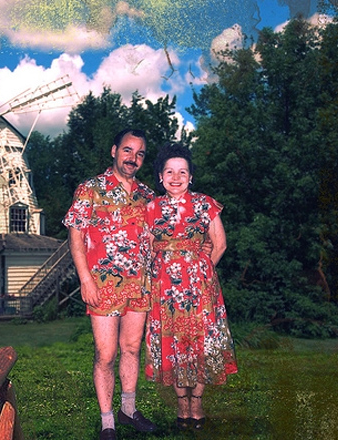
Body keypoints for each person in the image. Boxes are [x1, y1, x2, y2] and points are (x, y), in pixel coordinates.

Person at [63, 128, 157, 440]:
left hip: (140, 285)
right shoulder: (90, 188)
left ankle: (128, 410)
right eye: (128, 150)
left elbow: (160, 237)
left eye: (140, 154)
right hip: (103, 285)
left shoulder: (148, 196)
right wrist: (85, 280)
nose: (133, 158)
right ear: (114, 151)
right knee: (106, 354)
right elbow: (76, 237)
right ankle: (108, 423)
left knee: (131, 348)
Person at [144, 142, 238, 432]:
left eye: (182, 172)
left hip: (199, 289)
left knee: (199, 345)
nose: (176, 177)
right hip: (164, 291)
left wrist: (202, 271)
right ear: (160, 177)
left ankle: (196, 403)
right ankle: (181, 405)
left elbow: (219, 244)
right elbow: (146, 248)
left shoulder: (205, 204)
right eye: (169, 172)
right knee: (173, 345)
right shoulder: (150, 208)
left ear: (191, 176)